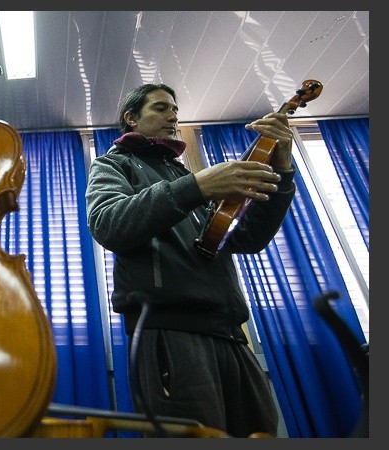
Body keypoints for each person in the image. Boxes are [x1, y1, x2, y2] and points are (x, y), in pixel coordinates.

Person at [85, 83, 296, 437]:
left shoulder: (183, 176)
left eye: (175, 110)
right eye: (160, 108)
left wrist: (283, 168)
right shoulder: (113, 164)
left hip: (231, 334)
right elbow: (108, 224)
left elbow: (247, 238)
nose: (172, 116)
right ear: (131, 118)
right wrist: (197, 187)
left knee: (260, 431)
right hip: (171, 333)